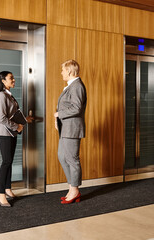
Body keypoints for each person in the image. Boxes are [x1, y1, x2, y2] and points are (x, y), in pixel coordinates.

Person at [0, 71, 32, 207]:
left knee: (9, 162)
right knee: (6, 162)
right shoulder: (1, 96)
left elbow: (12, 114)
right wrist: (17, 126)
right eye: (11, 78)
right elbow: (1, 118)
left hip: (11, 133)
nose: (14, 80)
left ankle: (8, 188)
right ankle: (0, 194)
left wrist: (23, 121)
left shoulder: (8, 95)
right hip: (4, 133)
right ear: (3, 81)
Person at [54, 60, 87, 204]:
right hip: (65, 129)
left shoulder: (77, 86)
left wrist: (58, 114)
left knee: (72, 160)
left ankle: (75, 190)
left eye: (63, 70)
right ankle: (72, 188)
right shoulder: (71, 86)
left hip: (72, 129)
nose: (61, 73)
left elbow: (77, 108)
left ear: (69, 71)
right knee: (62, 157)